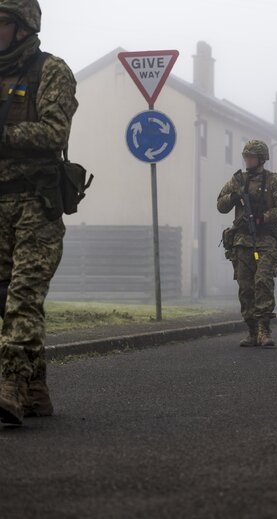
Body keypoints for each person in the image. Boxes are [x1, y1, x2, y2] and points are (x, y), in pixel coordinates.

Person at [0, 0, 78, 426]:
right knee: (5, 299)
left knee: (23, 297)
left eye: (1, 22)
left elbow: (54, 132)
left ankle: (10, 386)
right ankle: (35, 389)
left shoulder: (52, 71)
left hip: (36, 205)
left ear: (23, 27)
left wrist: (4, 134)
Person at [217, 140, 277, 348]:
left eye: (251, 157)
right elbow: (220, 205)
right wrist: (233, 198)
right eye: (246, 157)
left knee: (263, 282)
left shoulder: (274, 181)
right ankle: (251, 330)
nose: (247, 160)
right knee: (245, 287)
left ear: (261, 159)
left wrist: (264, 216)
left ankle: (264, 329)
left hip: (266, 241)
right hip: (242, 242)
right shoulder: (238, 180)